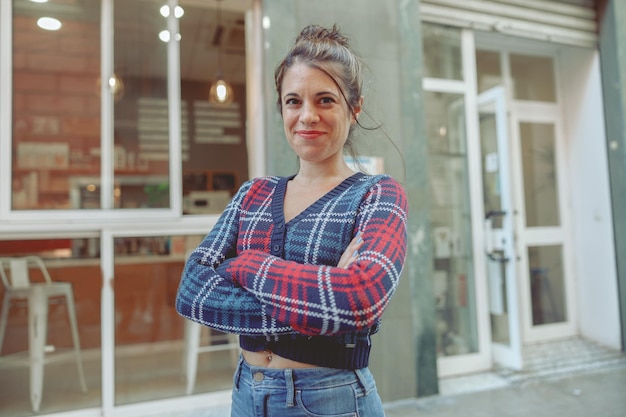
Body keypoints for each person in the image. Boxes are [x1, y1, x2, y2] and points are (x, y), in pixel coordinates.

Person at [176, 23, 408, 417]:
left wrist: (244, 267)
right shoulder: (254, 193)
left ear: (354, 108)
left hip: (333, 398)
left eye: (325, 100)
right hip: (247, 394)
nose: (307, 116)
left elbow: (358, 300)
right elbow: (192, 292)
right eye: (293, 101)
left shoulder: (377, 195)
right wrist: (322, 303)